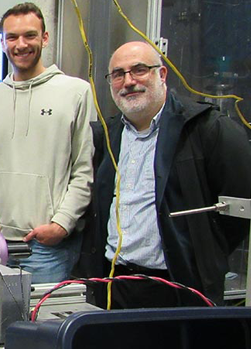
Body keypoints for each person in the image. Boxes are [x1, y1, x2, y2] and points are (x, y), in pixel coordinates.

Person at [87, 41, 251, 308]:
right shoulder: (108, 134)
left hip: (180, 285)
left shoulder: (205, 128)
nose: (128, 81)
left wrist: (204, 254)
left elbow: (238, 210)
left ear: (161, 74)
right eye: (118, 74)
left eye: (139, 70)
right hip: (116, 283)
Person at [0, 2, 94, 284]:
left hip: (47, 247)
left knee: (44, 314)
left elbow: (83, 169)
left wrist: (62, 223)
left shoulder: (76, 92)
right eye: (12, 37)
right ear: (2, 43)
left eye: (30, 35)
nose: (21, 44)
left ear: (45, 38)